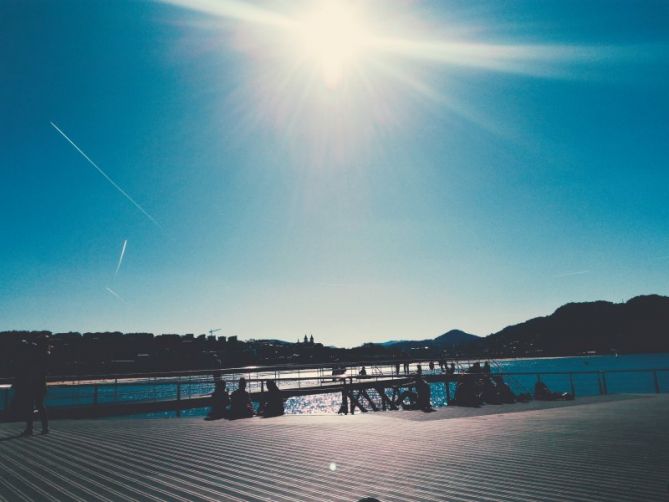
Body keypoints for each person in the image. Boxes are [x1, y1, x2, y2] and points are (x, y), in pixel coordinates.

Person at [16, 337, 49, 436]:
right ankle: (45, 428)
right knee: (40, 405)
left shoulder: (38, 354)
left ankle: (29, 429)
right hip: (41, 384)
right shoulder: (45, 353)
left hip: (33, 383)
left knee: (29, 406)